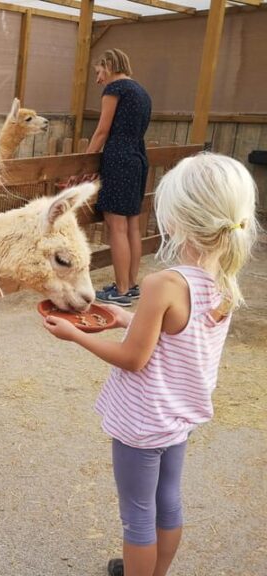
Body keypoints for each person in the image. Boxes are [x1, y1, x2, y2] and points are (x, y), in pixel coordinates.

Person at [43, 152, 259, 576]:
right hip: (178, 417)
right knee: (168, 501)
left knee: (137, 517)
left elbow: (133, 358)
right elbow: (176, 333)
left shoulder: (165, 282)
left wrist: (74, 336)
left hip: (143, 422)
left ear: (178, 219)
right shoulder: (223, 278)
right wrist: (124, 316)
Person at [87, 48, 152, 307]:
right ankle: (131, 285)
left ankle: (122, 291)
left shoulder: (116, 89)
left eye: (99, 71)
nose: (98, 78)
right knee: (132, 225)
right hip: (137, 158)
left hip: (118, 160)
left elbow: (102, 131)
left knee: (117, 227)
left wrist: (84, 162)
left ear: (110, 65)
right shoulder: (142, 92)